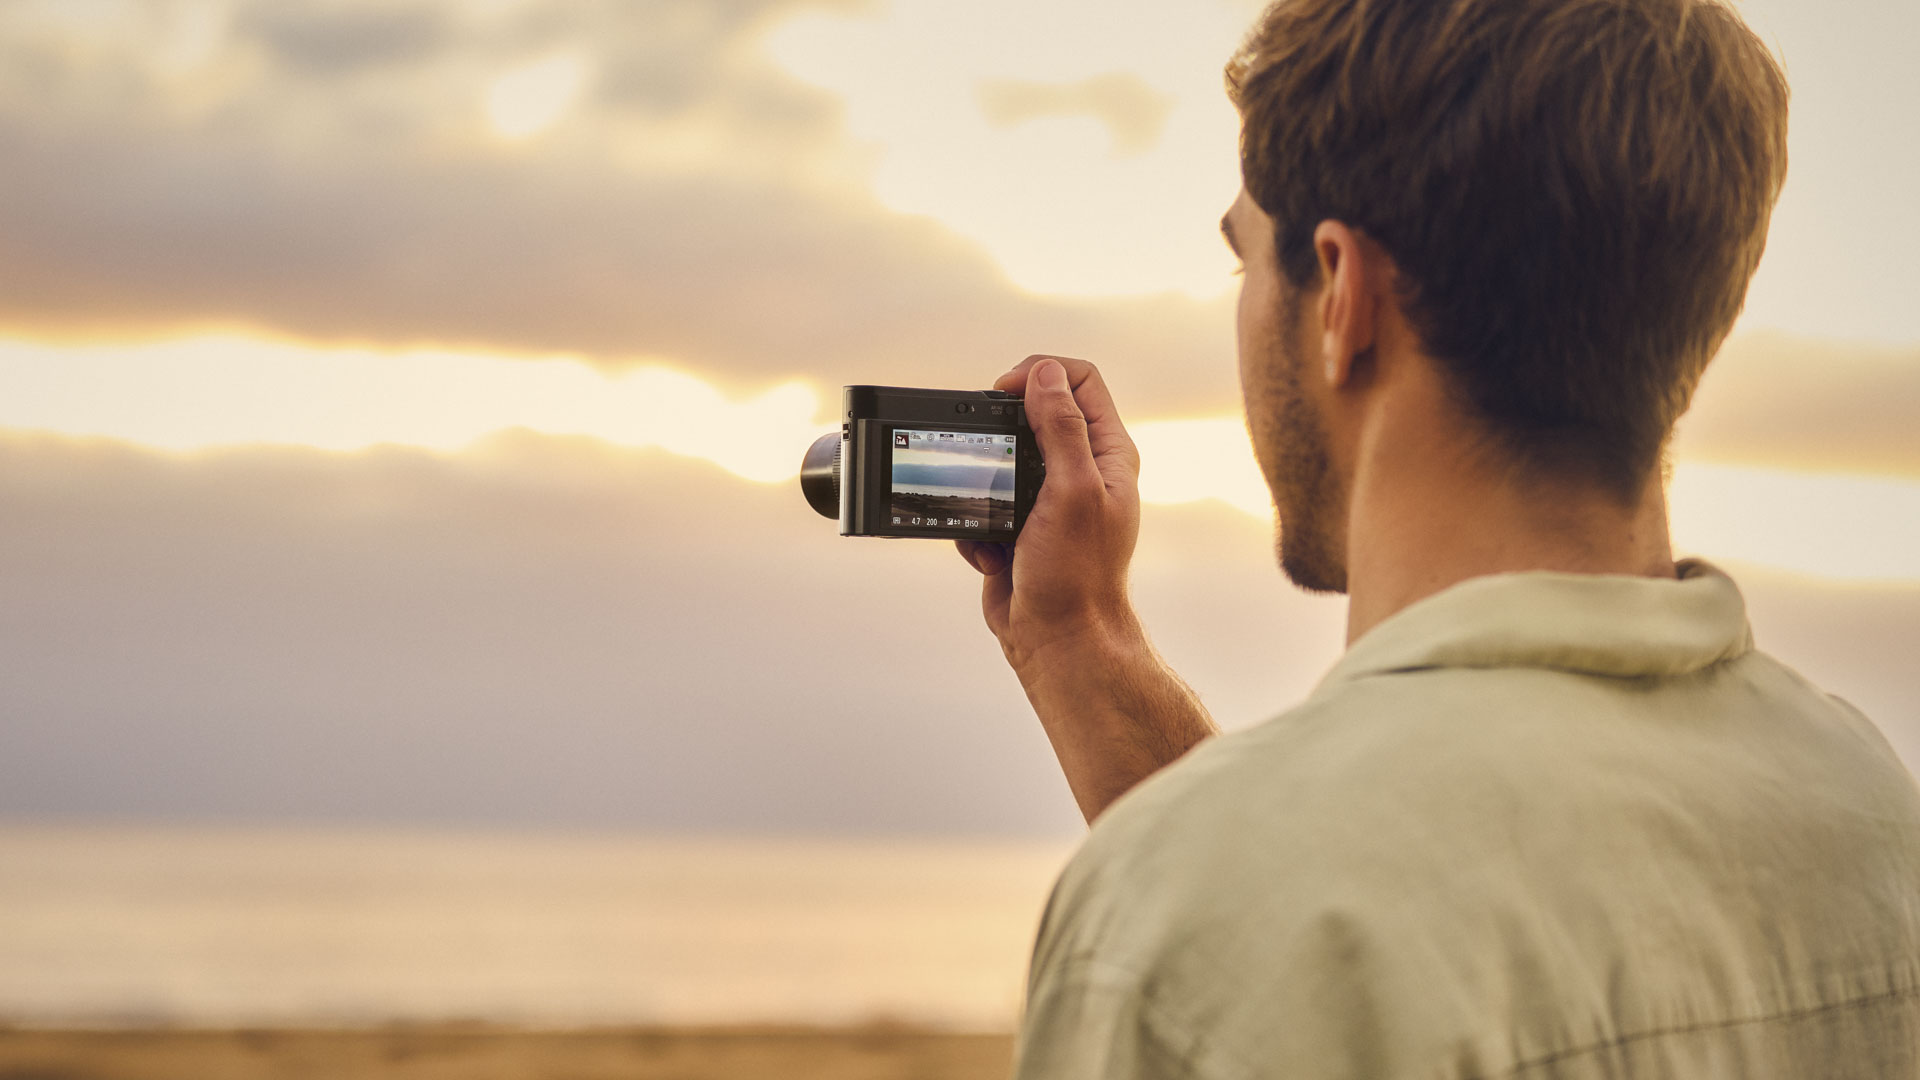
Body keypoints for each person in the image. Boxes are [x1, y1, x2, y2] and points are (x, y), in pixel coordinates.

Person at [954, 0, 1920, 1075]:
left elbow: (1272, 916)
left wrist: (1161, 880)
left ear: (1342, 297)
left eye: (1247, 263)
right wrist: (1085, 643)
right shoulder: (1870, 813)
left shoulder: (1171, 936)